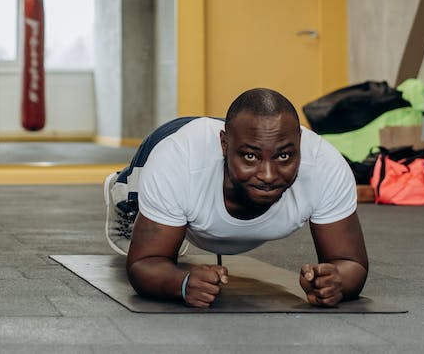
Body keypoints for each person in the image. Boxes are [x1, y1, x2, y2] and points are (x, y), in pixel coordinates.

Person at [103, 88, 368, 308]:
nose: (268, 175)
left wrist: (336, 282)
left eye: (284, 156)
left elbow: (351, 263)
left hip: (226, 143)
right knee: (137, 188)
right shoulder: (177, 159)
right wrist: (180, 283)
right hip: (174, 137)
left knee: (254, 140)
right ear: (224, 144)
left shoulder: (326, 166)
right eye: (250, 157)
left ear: (300, 142)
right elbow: (143, 264)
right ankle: (123, 193)